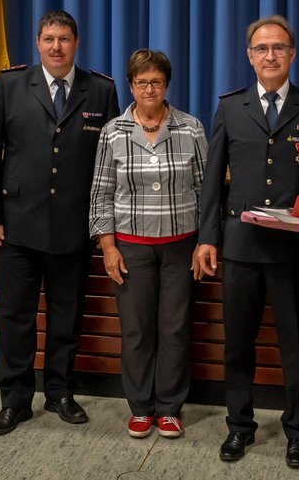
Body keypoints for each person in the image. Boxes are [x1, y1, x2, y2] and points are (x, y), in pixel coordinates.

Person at [195, 15, 299, 468]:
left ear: (293, 54)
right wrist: (207, 238)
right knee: (238, 343)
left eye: (279, 48)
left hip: (293, 250)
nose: (271, 56)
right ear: (249, 56)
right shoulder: (230, 107)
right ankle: (239, 427)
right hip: (240, 248)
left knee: (297, 345)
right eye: (262, 49)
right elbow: (212, 182)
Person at [0, 10, 120, 435]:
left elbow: (109, 163)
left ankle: (59, 393)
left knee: (66, 315)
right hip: (16, 226)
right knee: (15, 318)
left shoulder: (101, 90)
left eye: (64, 39)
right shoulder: (11, 84)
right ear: (37, 43)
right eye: (49, 39)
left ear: (77, 44)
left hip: (75, 226)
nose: (57, 46)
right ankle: (15, 401)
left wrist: (102, 222)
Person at [89, 49, 207, 439]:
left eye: (156, 81)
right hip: (130, 249)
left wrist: (206, 241)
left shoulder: (191, 128)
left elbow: (206, 191)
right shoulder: (112, 131)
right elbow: (101, 193)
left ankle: (170, 408)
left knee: (174, 329)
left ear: (167, 85)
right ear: (131, 86)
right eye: (142, 83)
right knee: (137, 331)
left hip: (181, 248)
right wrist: (108, 246)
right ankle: (141, 408)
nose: (149, 89)